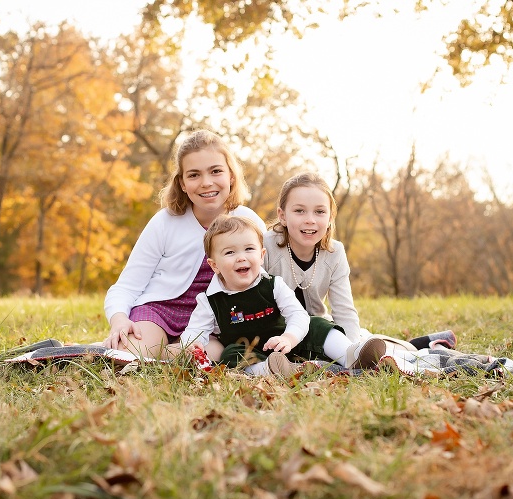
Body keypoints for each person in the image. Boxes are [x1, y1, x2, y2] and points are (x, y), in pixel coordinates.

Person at [102, 129, 266, 360]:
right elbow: (126, 285)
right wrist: (119, 318)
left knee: (211, 355)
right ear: (182, 183)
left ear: (230, 175)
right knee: (132, 354)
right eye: (194, 175)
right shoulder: (165, 222)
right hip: (159, 310)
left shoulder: (247, 221)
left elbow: (269, 278)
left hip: (211, 320)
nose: (206, 183)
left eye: (216, 171)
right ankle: (79, 351)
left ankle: (162, 354)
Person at [178, 215, 387, 377]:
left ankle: (351, 355)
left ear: (261, 256)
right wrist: (192, 344)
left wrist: (289, 337)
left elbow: (297, 315)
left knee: (317, 324)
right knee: (231, 355)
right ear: (214, 265)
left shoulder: (273, 284)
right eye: (230, 253)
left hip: (285, 340)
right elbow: (195, 330)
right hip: (251, 352)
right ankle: (271, 370)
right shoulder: (210, 300)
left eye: (249, 249)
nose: (241, 257)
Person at [262, 171, 427, 354]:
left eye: (320, 212)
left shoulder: (334, 253)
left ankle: (418, 346)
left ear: (330, 218)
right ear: (282, 215)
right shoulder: (265, 247)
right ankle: (414, 344)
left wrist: (353, 351)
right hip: (276, 335)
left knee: (349, 337)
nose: (310, 220)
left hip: (318, 329)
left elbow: (344, 310)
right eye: (299, 211)